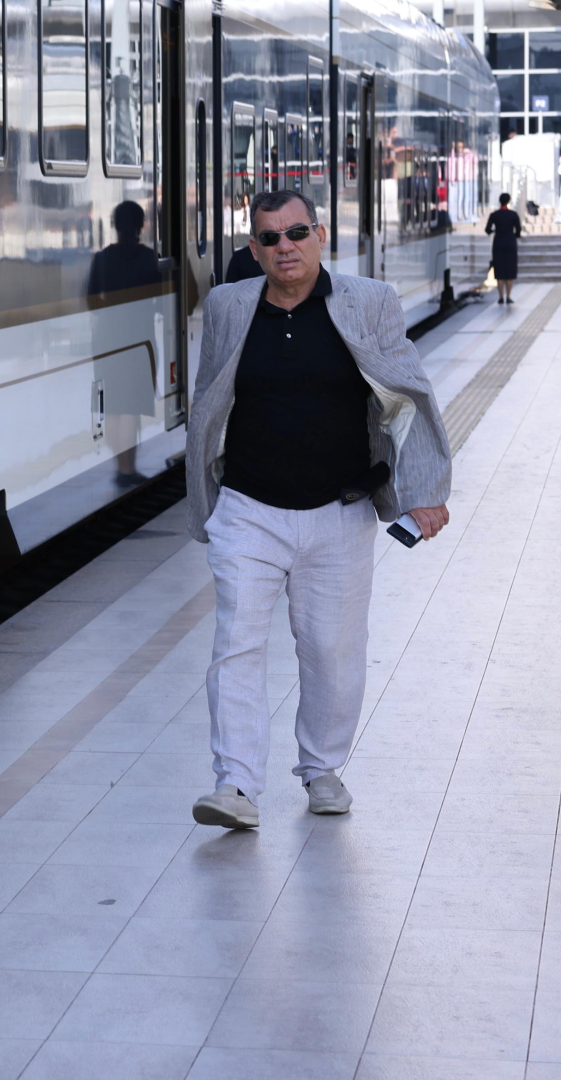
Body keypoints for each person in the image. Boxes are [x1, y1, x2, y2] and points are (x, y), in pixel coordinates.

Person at [185, 189, 452, 830]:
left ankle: (322, 768)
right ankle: (235, 784)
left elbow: (408, 393)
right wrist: (208, 498)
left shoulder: (369, 302)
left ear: (320, 235)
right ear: (254, 250)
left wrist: (425, 489)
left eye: (297, 233)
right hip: (248, 507)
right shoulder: (227, 305)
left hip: (340, 508)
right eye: (269, 238)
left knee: (331, 650)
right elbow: (209, 399)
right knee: (235, 645)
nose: (285, 247)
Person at [88, 201, 164, 485]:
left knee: (113, 405)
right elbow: (163, 299)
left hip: (106, 339)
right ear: (141, 226)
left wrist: (111, 313)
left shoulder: (102, 258)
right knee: (131, 405)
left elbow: (91, 299)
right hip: (140, 339)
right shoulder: (149, 258)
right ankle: (126, 469)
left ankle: (120, 465)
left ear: (115, 226)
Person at [487, 193, 523, 306]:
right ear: (508, 201)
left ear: (500, 201)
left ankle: (500, 297)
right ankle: (508, 296)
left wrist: (495, 231)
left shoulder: (494, 215)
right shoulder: (513, 215)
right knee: (510, 270)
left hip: (498, 243)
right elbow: (518, 230)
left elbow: (487, 229)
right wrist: (514, 235)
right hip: (510, 243)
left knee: (499, 270)